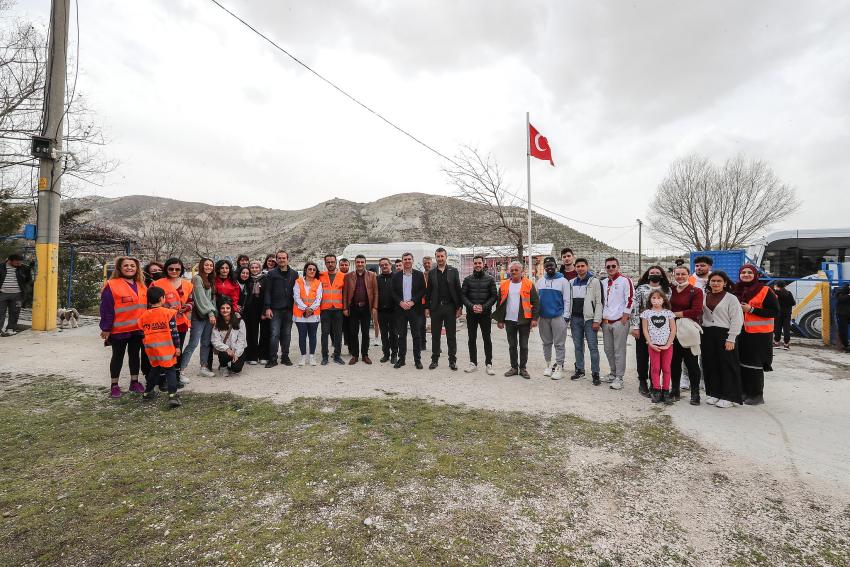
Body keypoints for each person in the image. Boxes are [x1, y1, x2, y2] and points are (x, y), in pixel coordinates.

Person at [99, 256, 148, 398]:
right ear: (119, 268)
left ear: (137, 268)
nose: (129, 268)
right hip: (119, 330)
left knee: (134, 356)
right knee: (117, 357)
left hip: (137, 329)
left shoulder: (141, 285)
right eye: (126, 265)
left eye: (132, 265)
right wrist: (106, 328)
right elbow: (106, 308)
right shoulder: (112, 284)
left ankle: (134, 382)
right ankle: (114, 385)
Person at [733, 264, 779, 405]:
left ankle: (756, 395)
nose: (746, 275)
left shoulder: (765, 290)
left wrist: (751, 309)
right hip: (740, 333)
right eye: (743, 272)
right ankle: (744, 392)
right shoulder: (736, 290)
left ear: (755, 274)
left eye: (749, 272)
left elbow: (774, 312)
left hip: (759, 335)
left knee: (754, 365)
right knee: (741, 364)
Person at [701, 271, 744, 408]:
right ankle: (714, 393)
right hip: (708, 333)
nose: (716, 283)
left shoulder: (731, 298)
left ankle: (729, 396)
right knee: (710, 364)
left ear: (725, 283)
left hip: (725, 334)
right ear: (709, 282)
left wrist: (731, 338)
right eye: (713, 281)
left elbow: (737, 319)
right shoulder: (705, 296)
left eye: (719, 281)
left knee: (727, 364)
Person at [493, 261, 539, 378]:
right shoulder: (504, 285)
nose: (513, 272)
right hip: (509, 320)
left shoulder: (529, 284)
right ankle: (514, 367)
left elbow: (536, 302)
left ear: (521, 271)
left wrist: (534, 319)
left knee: (524, 346)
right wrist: (500, 320)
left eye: (516, 270)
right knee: (512, 345)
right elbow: (500, 303)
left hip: (524, 320)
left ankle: (523, 368)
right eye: (512, 270)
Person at [630, 266, 671, 397]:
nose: (654, 274)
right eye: (652, 272)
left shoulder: (667, 290)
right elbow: (635, 308)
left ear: (662, 275)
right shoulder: (641, 289)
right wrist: (635, 326)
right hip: (644, 326)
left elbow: (668, 308)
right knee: (642, 355)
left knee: (657, 357)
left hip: (661, 329)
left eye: (657, 273)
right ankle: (642, 382)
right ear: (648, 275)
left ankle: (655, 385)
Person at [152, 258, 193, 387]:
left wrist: (187, 307)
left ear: (181, 270)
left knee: (178, 350)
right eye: (171, 269)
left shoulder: (187, 284)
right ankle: (163, 379)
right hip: (163, 323)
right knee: (165, 350)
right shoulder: (157, 283)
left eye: (177, 269)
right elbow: (151, 302)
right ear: (166, 269)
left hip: (181, 322)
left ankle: (175, 377)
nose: (174, 271)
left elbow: (191, 300)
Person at [139, 286, 183, 407]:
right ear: (162, 298)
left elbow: (141, 331)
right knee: (170, 370)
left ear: (148, 301)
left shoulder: (144, 315)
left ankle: (147, 393)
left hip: (152, 349)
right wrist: (178, 347)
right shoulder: (168, 313)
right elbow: (174, 332)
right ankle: (172, 396)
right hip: (167, 348)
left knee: (155, 369)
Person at [669, 265, 704, 404]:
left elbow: (696, 311)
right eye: (677, 274)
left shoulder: (695, 291)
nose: (680, 276)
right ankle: (675, 390)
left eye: (683, 274)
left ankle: (695, 394)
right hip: (672, 330)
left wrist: (674, 314)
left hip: (688, 330)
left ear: (688, 275)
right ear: (673, 275)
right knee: (674, 363)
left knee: (692, 363)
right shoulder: (670, 290)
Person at [426, 248, 463, 371]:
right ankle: (434, 360)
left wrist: (459, 307)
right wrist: (427, 307)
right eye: (438, 256)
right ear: (435, 258)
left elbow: (458, 289)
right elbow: (428, 292)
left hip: (450, 307)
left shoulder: (453, 271)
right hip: (436, 308)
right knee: (435, 335)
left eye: (442, 256)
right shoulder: (431, 273)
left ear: (446, 257)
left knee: (451, 336)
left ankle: (452, 361)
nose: (440, 258)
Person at [569, 258, 604, 384]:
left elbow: (599, 302)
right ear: (575, 267)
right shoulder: (571, 282)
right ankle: (580, 370)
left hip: (589, 319)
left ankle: (595, 373)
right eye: (577, 266)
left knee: (593, 347)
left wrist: (597, 320)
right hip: (575, 319)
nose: (580, 268)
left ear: (587, 266)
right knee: (578, 347)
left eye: (582, 265)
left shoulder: (594, 282)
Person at [600, 257, 634, 390]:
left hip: (620, 321)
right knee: (608, 349)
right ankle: (613, 373)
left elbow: (630, 299)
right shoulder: (603, 282)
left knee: (619, 350)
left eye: (613, 266)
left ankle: (619, 377)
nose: (611, 269)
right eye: (608, 267)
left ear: (618, 267)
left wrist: (625, 316)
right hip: (606, 321)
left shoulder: (625, 281)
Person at [461, 254, 497, 375]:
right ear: (473, 264)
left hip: (485, 314)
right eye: (475, 263)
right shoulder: (467, 280)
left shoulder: (490, 279)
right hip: (471, 314)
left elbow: (494, 296)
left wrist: (483, 307)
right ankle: (473, 363)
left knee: (487, 339)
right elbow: (463, 296)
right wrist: (471, 306)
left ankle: (489, 364)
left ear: (483, 264)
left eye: (479, 263)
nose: (477, 265)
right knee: (471, 339)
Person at [536, 256, 571, 380]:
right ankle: (548, 365)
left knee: (559, 344)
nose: (549, 267)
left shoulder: (563, 281)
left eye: (551, 265)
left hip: (558, 317)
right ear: (544, 268)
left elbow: (567, 300)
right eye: (547, 266)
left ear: (555, 266)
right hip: (543, 317)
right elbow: (536, 300)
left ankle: (559, 367)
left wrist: (566, 317)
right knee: (546, 343)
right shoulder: (540, 281)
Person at [181, 258, 217, 378]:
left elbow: (212, 299)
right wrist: (211, 313)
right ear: (201, 266)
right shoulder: (197, 278)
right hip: (200, 315)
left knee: (206, 343)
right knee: (193, 343)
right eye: (206, 265)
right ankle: (181, 370)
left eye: (211, 265)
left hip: (209, 315)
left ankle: (203, 367)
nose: (209, 267)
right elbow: (200, 298)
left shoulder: (210, 279)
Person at [640, 289, 677, 404]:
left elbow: (673, 329)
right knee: (655, 368)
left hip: (667, 346)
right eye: (653, 298)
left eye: (659, 298)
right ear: (650, 300)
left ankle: (666, 391)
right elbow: (645, 330)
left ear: (664, 300)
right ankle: (656, 389)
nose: (656, 300)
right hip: (653, 345)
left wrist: (668, 344)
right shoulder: (646, 313)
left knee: (666, 368)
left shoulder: (668, 313)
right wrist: (650, 343)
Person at [264, 250, 299, 368]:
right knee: (274, 334)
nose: (281, 260)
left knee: (287, 334)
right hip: (275, 309)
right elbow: (267, 292)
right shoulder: (271, 274)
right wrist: (267, 308)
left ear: (287, 259)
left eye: (284, 258)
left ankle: (285, 357)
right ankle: (272, 358)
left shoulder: (294, 274)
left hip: (289, 309)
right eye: (279, 258)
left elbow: (297, 292)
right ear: (276, 260)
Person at [391, 252, 426, 369]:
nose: (407, 261)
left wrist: (413, 301)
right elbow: (393, 292)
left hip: (414, 309)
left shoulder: (419, 275)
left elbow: (422, 291)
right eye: (405, 259)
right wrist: (400, 302)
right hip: (400, 309)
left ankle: (417, 360)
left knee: (416, 335)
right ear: (402, 261)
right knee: (402, 336)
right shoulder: (396, 276)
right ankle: (402, 359)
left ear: (412, 260)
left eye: (409, 259)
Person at [343, 254, 378, 364]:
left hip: (366, 308)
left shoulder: (372, 275)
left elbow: (376, 292)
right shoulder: (348, 276)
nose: (360, 264)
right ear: (355, 263)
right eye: (358, 262)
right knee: (353, 332)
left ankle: (365, 355)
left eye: (362, 262)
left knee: (365, 333)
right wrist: (345, 307)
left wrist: (375, 307)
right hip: (353, 307)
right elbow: (345, 293)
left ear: (365, 263)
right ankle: (355, 355)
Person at [292, 261, 323, 366]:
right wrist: (306, 308)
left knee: (313, 336)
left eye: (314, 269)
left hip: (313, 315)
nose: (312, 271)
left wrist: (311, 309)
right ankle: (303, 357)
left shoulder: (318, 283)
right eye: (310, 269)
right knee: (302, 336)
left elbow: (319, 298)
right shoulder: (298, 282)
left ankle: (312, 357)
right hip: (300, 314)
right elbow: (296, 297)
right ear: (305, 270)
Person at [319, 254, 346, 365]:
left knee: (338, 334)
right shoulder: (320, 275)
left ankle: (337, 355)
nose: (330, 264)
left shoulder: (343, 276)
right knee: (324, 333)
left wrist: (346, 307)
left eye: (332, 262)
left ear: (336, 263)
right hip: (325, 310)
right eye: (328, 262)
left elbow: (346, 293)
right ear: (325, 263)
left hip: (338, 310)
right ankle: (324, 356)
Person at [242, 261, 269, 365]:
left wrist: (266, 308)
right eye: (252, 267)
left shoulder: (265, 279)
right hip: (250, 309)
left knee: (264, 332)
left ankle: (263, 355)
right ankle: (252, 356)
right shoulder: (247, 279)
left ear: (260, 268)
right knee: (251, 333)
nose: (254, 269)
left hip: (263, 308)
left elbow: (268, 293)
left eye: (256, 267)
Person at [211, 299, 247, 376]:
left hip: (238, 349)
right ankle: (223, 366)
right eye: (222, 308)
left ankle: (232, 365)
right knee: (224, 353)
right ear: (219, 310)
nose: (225, 310)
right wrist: (227, 349)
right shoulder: (217, 322)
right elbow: (215, 341)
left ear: (231, 309)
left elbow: (242, 340)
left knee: (236, 369)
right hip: (225, 350)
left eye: (228, 308)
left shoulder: (239, 321)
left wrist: (236, 354)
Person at [0, 253, 31, 336]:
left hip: (17, 295)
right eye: (17, 263)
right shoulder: (1, 267)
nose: (19, 264)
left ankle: (10, 329)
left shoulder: (24, 268)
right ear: (10, 261)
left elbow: (28, 280)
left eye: (20, 262)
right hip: (2, 294)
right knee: (0, 313)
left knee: (15, 313)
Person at [376, 257, 398, 364]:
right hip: (381, 311)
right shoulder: (377, 278)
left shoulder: (397, 277)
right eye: (382, 265)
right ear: (380, 267)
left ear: (390, 265)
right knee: (384, 334)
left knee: (393, 334)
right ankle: (386, 354)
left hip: (394, 311)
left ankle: (394, 354)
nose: (384, 266)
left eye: (386, 264)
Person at [772, 281, 796, 350]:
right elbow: (793, 303)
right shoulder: (788, 293)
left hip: (778, 314)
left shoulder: (774, 293)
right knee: (786, 329)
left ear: (776, 285)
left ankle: (776, 343)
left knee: (777, 328)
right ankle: (786, 344)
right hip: (787, 314)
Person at [338, 257, 353, 356]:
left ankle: (351, 349)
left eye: (346, 265)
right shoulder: (336, 276)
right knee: (337, 330)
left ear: (349, 266)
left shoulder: (353, 276)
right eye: (342, 265)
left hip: (350, 307)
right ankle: (337, 350)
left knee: (350, 329)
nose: (344, 266)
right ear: (339, 266)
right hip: (337, 307)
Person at [420, 255, 433, 353]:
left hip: (433, 302)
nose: (427, 265)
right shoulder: (421, 275)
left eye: (428, 263)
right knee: (421, 324)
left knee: (435, 324)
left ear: (431, 263)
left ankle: (436, 344)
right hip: (422, 302)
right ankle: (422, 344)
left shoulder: (435, 274)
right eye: (425, 263)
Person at [835, 284, 850, 352]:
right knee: (843, 331)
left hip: (844, 314)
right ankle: (845, 346)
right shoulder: (842, 292)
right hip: (843, 314)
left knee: (843, 330)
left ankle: (845, 345)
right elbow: (840, 298)